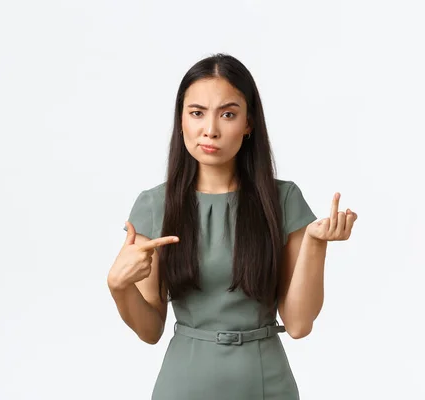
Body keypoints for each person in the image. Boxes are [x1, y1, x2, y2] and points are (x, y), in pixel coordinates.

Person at [107, 53, 358, 400]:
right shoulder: (154, 206)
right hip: (183, 386)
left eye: (227, 114)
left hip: (265, 384)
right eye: (197, 113)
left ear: (248, 123)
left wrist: (316, 243)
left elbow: (299, 325)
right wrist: (119, 287)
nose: (210, 129)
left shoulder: (282, 200)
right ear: (181, 119)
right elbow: (150, 330)